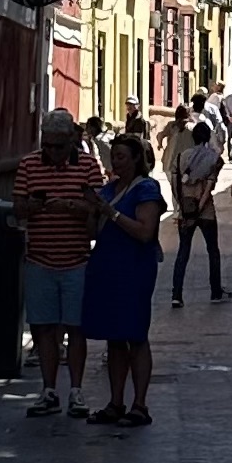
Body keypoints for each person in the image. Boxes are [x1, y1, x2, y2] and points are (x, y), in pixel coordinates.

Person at [12, 105, 103, 416]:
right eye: (47, 145)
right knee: (43, 329)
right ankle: (49, 390)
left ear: (70, 141)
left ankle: (76, 391)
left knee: (76, 329)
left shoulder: (88, 165)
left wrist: (73, 208)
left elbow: (97, 207)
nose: (51, 152)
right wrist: (35, 206)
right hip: (39, 260)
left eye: (58, 146)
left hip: (77, 260)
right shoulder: (28, 165)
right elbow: (18, 208)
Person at [81, 132, 166, 424]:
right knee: (115, 337)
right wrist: (92, 211)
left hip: (134, 269)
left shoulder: (147, 190)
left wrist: (111, 212)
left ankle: (139, 404)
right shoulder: (108, 189)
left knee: (136, 335)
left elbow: (145, 232)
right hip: (107, 267)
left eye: (121, 157)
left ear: (135, 159)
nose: (115, 162)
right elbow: (92, 232)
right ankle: (115, 402)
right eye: (113, 156)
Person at [170, 94, 231, 306]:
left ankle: (176, 295)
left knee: (183, 252)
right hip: (205, 210)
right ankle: (215, 291)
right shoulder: (213, 159)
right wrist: (201, 206)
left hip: (186, 208)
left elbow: (175, 184)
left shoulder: (181, 157)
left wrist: (181, 204)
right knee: (212, 250)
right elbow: (209, 186)